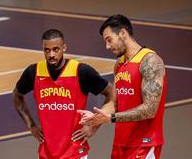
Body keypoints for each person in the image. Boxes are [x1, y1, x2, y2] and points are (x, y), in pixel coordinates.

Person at [12, 29, 112, 159]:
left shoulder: (81, 71)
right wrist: (31, 125)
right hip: (46, 153)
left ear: (64, 48)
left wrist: (94, 124)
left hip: (74, 152)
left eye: (55, 49)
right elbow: (16, 95)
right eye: (47, 50)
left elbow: (112, 93)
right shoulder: (34, 72)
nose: (51, 55)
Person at [78, 14, 167, 159]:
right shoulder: (119, 65)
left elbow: (150, 109)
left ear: (123, 33)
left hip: (144, 144)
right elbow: (114, 102)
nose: (107, 46)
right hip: (121, 143)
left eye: (109, 40)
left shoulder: (150, 61)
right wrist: (95, 120)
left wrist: (111, 118)